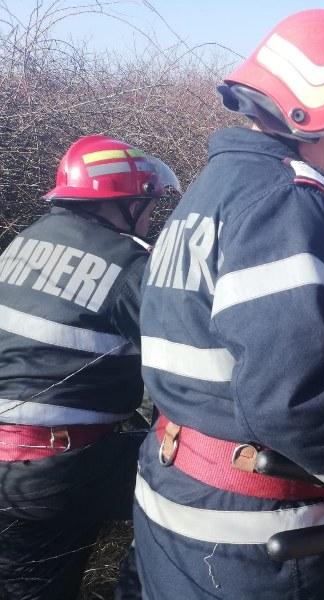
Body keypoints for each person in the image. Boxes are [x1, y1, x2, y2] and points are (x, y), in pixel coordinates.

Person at [132, 10, 324, 600]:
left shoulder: (206, 193)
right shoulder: (285, 204)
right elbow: (295, 397)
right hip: (253, 539)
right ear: (308, 113)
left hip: (172, 498)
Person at [0, 135, 177, 600]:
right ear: (124, 204)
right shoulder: (130, 267)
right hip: (52, 470)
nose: (151, 213)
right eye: (148, 203)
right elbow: (182, 368)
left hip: (17, 466)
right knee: (186, 485)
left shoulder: (26, 240)